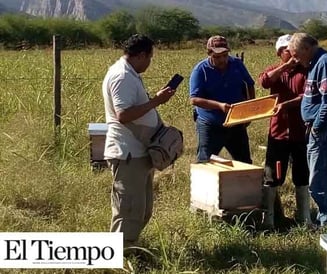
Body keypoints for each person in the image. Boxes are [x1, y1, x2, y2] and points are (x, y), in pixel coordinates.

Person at [102, 34, 176, 251]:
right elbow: (122, 114)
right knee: (128, 211)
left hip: (139, 153)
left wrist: (154, 99)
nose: (150, 62)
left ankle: (130, 249)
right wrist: (156, 101)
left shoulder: (130, 74)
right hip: (127, 154)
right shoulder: (122, 76)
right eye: (150, 57)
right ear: (141, 55)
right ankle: (119, 255)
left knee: (142, 210)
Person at [288, 33, 327, 229]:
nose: (295, 60)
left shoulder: (325, 63)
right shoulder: (316, 63)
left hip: (325, 131)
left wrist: (317, 126)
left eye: (296, 55)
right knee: (320, 180)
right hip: (321, 130)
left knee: (320, 183)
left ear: (306, 49)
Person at [258, 34, 312, 228]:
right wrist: (283, 68)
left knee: (302, 174)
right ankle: (269, 220)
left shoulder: (306, 71)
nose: (291, 54)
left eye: (292, 50)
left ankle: (304, 218)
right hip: (278, 132)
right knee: (272, 175)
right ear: (279, 53)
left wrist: (287, 104)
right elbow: (264, 82)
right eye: (286, 50)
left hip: (300, 131)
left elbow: (306, 96)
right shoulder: (275, 70)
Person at [189, 35, 255, 163]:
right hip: (210, 124)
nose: (222, 60)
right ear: (209, 53)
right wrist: (219, 105)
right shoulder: (200, 70)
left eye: (225, 55)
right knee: (205, 162)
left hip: (236, 122)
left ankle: (248, 183)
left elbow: (249, 84)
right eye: (217, 56)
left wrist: (249, 111)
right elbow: (194, 99)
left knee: (244, 162)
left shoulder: (237, 64)